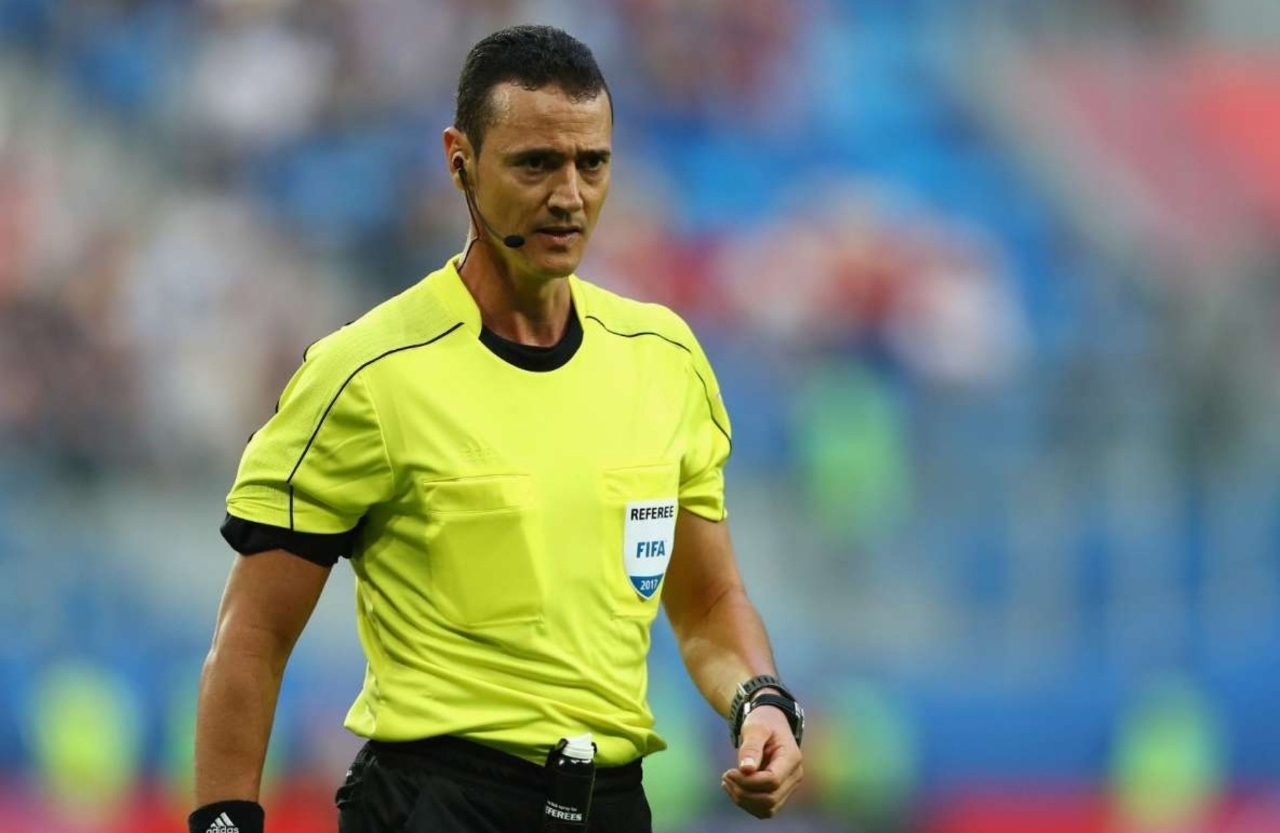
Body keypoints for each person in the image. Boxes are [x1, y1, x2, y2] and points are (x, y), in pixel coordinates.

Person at [189, 24, 805, 833]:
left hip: (612, 806)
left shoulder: (665, 359)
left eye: (592, 163)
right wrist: (224, 824)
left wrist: (759, 699)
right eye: (535, 163)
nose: (569, 195)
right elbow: (253, 633)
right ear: (460, 161)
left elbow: (709, 599)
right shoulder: (369, 373)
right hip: (439, 804)